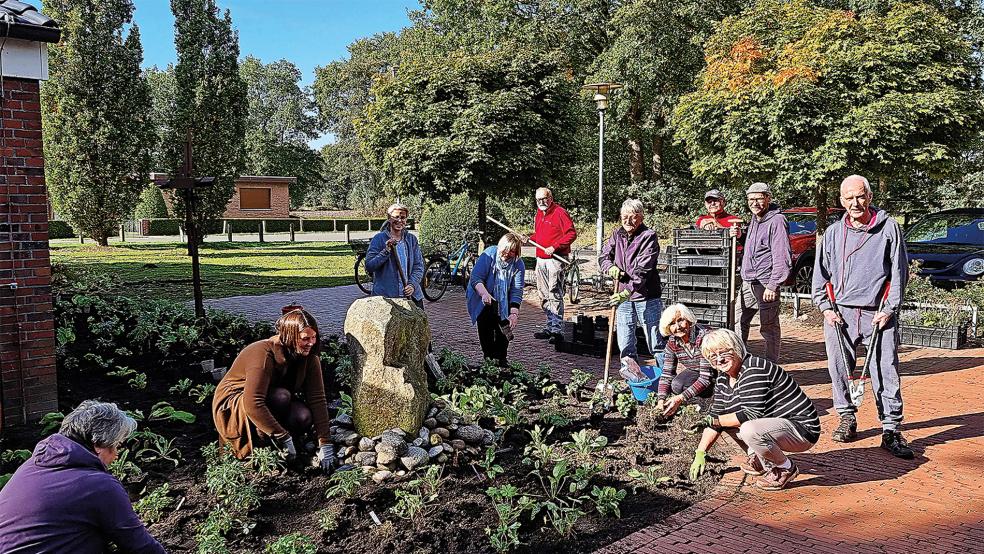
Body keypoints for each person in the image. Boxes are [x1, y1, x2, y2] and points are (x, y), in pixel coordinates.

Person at [811, 175, 912, 459]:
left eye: (860, 196)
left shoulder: (889, 228)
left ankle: (891, 429)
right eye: (849, 198)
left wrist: (890, 309)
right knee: (839, 369)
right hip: (839, 313)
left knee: (885, 370)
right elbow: (821, 273)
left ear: (869, 197)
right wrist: (825, 307)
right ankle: (847, 417)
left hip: (877, 313)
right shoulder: (832, 232)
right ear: (841, 201)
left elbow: (899, 272)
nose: (855, 203)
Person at [0, 400, 166, 553]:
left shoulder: (31, 466)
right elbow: (140, 546)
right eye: (117, 446)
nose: (116, 454)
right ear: (98, 445)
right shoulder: (99, 485)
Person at [688, 329, 820, 491]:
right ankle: (760, 456)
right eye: (712, 356)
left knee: (748, 428)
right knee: (727, 420)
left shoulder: (753, 369)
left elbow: (751, 414)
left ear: (736, 348)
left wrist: (713, 421)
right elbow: (716, 415)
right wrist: (700, 453)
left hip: (801, 430)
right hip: (775, 426)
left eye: (723, 352)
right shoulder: (724, 378)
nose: (719, 359)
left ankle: (785, 467)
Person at [212, 309, 335, 471]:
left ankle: (283, 445)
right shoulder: (261, 353)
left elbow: (317, 399)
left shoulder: (309, 357)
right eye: (305, 338)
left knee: (302, 416)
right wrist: (283, 437)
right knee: (281, 396)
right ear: (290, 336)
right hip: (235, 404)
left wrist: (325, 443)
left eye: (314, 337)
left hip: (269, 399)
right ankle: (264, 443)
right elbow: (253, 402)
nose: (311, 343)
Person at [599, 198, 667, 362]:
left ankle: (664, 380)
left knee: (655, 343)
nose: (627, 221)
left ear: (641, 217)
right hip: (624, 297)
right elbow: (603, 256)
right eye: (624, 217)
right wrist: (610, 267)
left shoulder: (648, 236)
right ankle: (632, 378)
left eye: (633, 216)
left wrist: (627, 291)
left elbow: (642, 271)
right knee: (625, 344)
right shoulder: (617, 234)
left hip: (646, 296)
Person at [738, 182, 791, 362]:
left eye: (759, 198)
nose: (755, 203)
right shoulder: (755, 218)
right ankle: (740, 361)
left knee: (768, 327)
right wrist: (740, 236)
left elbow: (782, 255)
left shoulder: (776, 220)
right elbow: (755, 245)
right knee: (738, 321)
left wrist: (773, 285)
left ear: (768, 198)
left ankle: (771, 366)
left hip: (765, 282)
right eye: (751, 199)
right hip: (748, 280)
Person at [467, 233, 526, 366]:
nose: (507, 254)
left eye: (511, 251)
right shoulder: (489, 254)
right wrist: (484, 294)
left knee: (504, 330)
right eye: (505, 250)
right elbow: (476, 277)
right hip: (483, 297)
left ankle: (502, 360)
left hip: (504, 303)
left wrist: (514, 313)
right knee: (486, 330)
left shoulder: (518, 264)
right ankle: (488, 359)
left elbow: (517, 290)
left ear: (516, 252)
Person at [529, 187, 577, 343]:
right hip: (541, 259)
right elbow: (540, 235)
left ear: (551, 198)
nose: (541, 202)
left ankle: (557, 330)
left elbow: (571, 234)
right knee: (543, 293)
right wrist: (530, 238)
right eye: (538, 200)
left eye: (544, 199)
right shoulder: (538, 214)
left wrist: (555, 246)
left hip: (556, 258)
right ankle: (549, 326)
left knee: (554, 292)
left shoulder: (560, 212)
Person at [656, 303, 715, 417]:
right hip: (697, 370)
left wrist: (680, 398)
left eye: (681, 320)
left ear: (688, 320)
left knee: (707, 384)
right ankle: (699, 400)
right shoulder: (673, 343)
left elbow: (705, 378)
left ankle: (712, 397)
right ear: (668, 328)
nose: (678, 326)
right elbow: (667, 374)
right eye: (672, 324)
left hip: (716, 372)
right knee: (677, 385)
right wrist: (661, 400)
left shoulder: (703, 338)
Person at [365, 202, 425, 307]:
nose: (399, 220)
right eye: (396, 217)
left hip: (411, 298)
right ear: (389, 218)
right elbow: (370, 266)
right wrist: (386, 251)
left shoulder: (411, 240)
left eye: (403, 217)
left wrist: (412, 285)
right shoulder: (379, 239)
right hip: (387, 300)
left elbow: (418, 266)